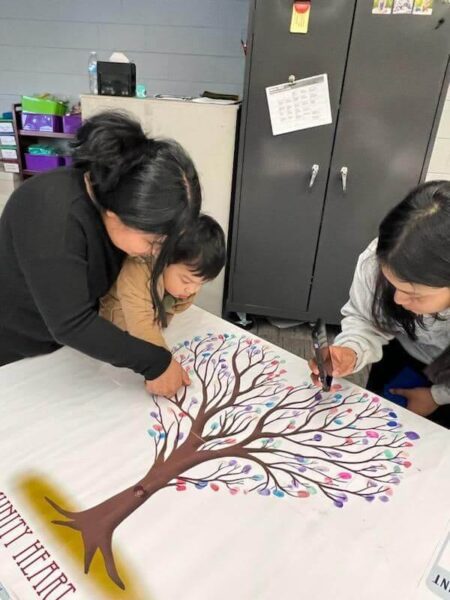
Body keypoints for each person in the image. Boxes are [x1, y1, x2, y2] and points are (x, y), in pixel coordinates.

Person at [0, 111, 202, 396]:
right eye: (153, 242)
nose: (157, 252)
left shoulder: (111, 205)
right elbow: (72, 323)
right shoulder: (52, 214)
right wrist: (156, 363)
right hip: (13, 350)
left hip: (60, 347)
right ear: (115, 214)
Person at [309, 181, 450, 427]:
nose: (397, 300)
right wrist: (351, 351)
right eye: (391, 283)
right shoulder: (377, 260)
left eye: (414, 294)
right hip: (402, 354)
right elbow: (366, 319)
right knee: (378, 428)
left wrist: (437, 396)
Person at [99, 213, 226, 349]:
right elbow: (141, 325)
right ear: (164, 258)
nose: (192, 290)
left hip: (151, 325)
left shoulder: (180, 283)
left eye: (201, 283)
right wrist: (165, 362)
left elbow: (174, 308)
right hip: (116, 330)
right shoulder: (137, 270)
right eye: (186, 281)